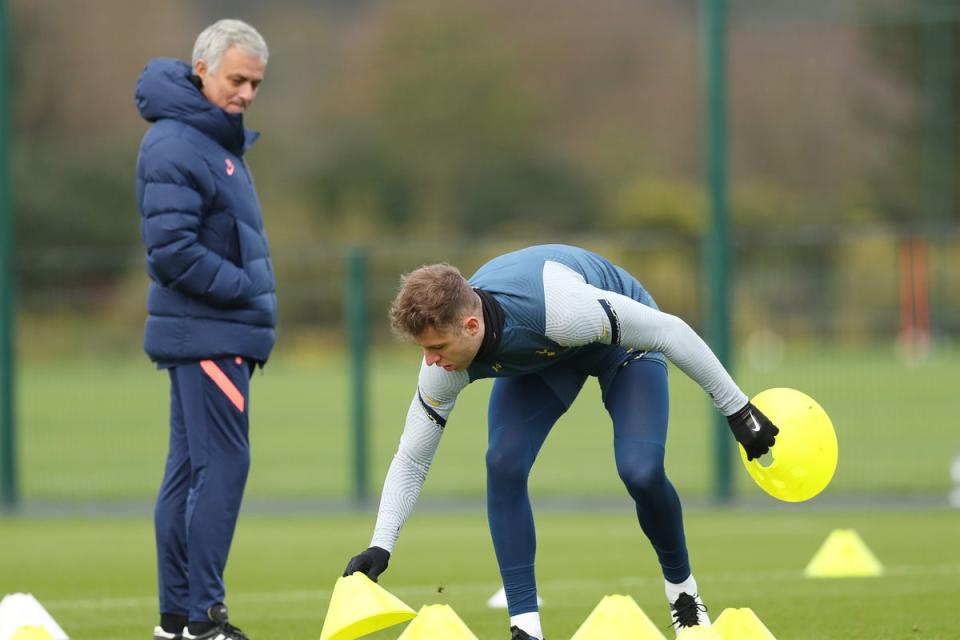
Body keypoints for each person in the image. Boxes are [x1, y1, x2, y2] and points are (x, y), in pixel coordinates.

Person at [344, 244, 778, 640]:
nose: (431, 361)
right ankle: (525, 629)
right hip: (547, 360)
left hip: (619, 346)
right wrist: (382, 543)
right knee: (504, 462)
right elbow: (413, 459)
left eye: (436, 347)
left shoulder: (562, 309)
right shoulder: (443, 365)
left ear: (471, 325)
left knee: (641, 471)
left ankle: (684, 594)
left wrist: (738, 410)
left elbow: (671, 331)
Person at [134, 19, 276, 640]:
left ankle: (176, 621)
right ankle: (204, 619)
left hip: (209, 334)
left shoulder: (211, 142)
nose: (246, 93)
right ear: (202, 70)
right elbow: (171, 251)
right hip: (212, 333)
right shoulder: (177, 144)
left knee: (191, 471)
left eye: (256, 84)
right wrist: (244, 290)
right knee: (221, 469)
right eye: (237, 79)